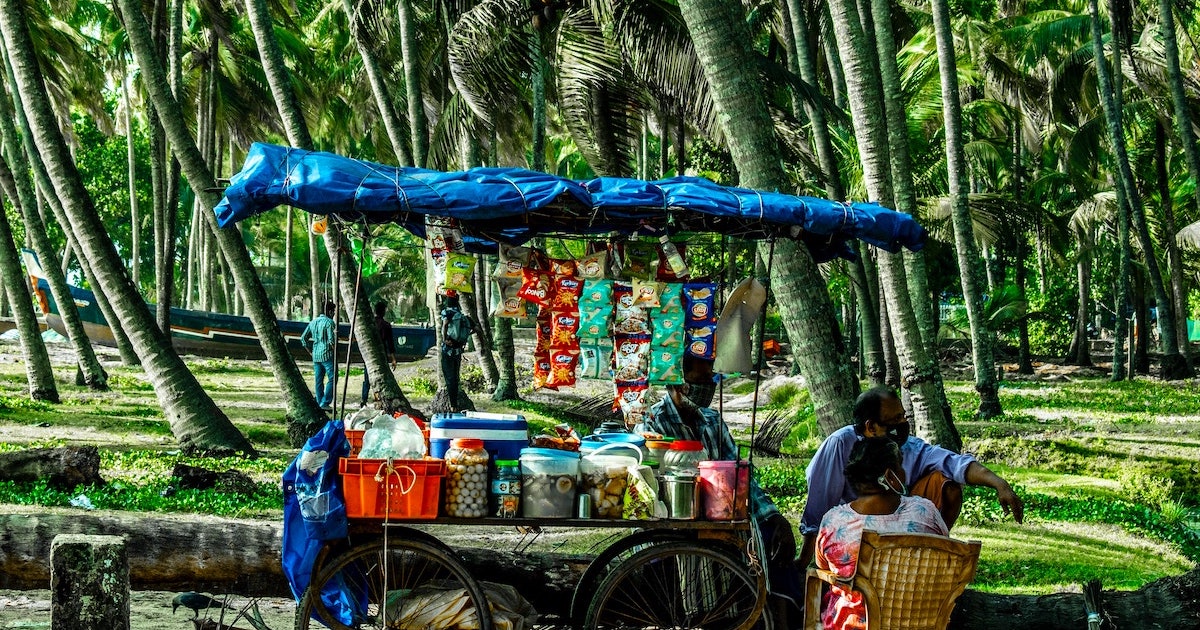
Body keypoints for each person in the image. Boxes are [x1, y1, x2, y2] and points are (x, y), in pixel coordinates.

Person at [798, 385, 1023, 570]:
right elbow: (819, 502)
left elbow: (954, 463)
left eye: (903, 417)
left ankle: (928, 555)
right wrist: (804, 559)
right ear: (871, 426)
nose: (902, 425)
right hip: (851, 529)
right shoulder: (839, 445)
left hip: (898, 517)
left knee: (946, 484)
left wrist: (999, 484)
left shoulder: (910, 447)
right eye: (894, 420)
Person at [638, 381, 803, 619]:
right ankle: (715, 615)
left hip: (720, 512)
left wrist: (774, 515)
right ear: (678, 380)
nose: (707, 380)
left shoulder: (713, 420)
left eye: (711, 373)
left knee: (770, 537)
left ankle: (776, 618)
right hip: (674, 517)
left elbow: (740, 476)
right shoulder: (652, 420)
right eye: (699, 373)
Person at [815, 438, 949, 630]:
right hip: (918, 622)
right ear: (890, 476)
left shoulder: (834, 522)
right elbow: (946, 558)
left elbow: (823, 567)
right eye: (900, 466)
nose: (904, 472)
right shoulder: (925, 512)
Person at [439, 292, 475, 411]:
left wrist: (444, 340)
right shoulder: (463, 316)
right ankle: (454, 404)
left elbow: (445, 325)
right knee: (455, 377)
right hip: (458, 350)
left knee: (449, 377)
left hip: (448, 350)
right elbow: (476, 329)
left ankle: (453, 405)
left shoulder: (447, 312)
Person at [301, 301, 337, 411]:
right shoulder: (329, 323)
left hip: (316, 355)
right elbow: (331, 341)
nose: (334, 314)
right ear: (330, 312)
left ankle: (319, 401)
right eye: (334, 311)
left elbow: (303, 338)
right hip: (327, 354)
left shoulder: (313, 322)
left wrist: (310, 352)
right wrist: (336, 352)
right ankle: (325, 402)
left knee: (318, 379)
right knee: (333, 377)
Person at [360, 301, 397, 406]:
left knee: (367, 378)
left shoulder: (368, 324)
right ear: (384, 311)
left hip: (369, 353)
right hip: (381, 354)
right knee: (381, 377)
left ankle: (364, 399)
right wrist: (393, 359)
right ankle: (379, 398)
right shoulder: (386, 325)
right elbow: (390, 343)